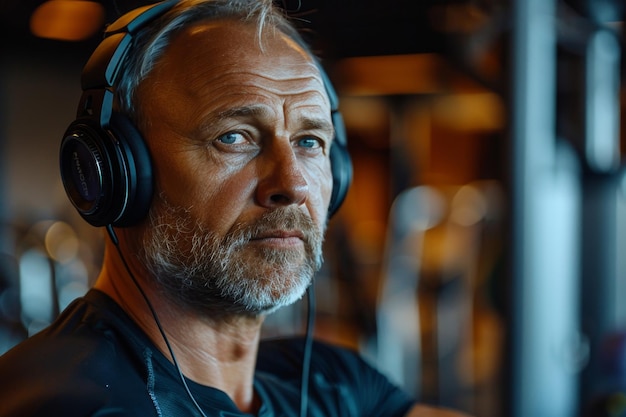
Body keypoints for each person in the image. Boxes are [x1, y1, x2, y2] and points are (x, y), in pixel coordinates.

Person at [0, 1, 472, 416]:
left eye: (310, 141)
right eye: (234, 137)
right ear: (117, 173)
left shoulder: (326, 381)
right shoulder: (72, 401)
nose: (292, 185)